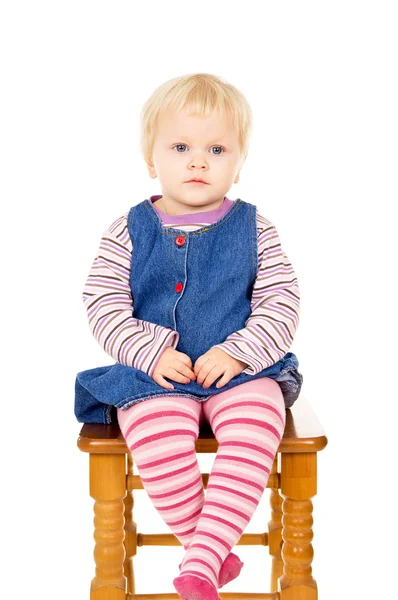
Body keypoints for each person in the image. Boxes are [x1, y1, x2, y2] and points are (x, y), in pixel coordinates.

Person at [74, 73, 303, 600]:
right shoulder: (127, 228)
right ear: (151, 160)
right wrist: (149, 353)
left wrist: (239, 350)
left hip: (244, 372)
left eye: (217, 149)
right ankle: (209, 554)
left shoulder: (256, 228)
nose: (198, 161)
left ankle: (198, 561)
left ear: (239, 163)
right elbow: (104, 303)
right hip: (155, 377)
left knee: (254, 430)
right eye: (180, 147)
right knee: (158, 440)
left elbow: (281, 302)